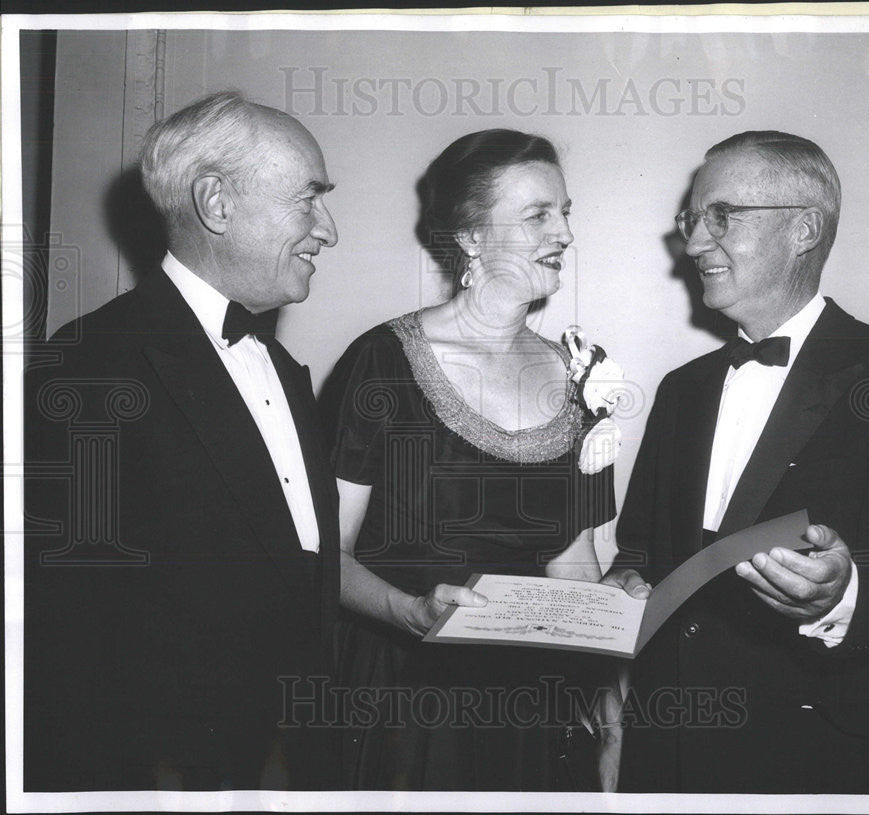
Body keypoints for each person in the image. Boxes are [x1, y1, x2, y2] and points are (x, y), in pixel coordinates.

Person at [604, 131, 869, 794]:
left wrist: (843, 591)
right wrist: (626, 583)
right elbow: (638, 551)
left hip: (818, 763)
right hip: (669, 757)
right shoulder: (681, 388)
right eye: (693, 220)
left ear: (804, 228)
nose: (692, 245)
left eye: (721, 217)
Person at [24, 91, 341, 790]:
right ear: (217, 204)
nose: (329, 230)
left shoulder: (283, 369)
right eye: (308, 200)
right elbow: (62, 636)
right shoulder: (93, 363)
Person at [319, 129, 618, 791]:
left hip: (532, 709)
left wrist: (608, 687)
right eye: (537, 215)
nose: (563, 233)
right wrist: (407, 610)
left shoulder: (576, 377)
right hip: (402, 699)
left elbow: (572, 565)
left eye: (564, 212)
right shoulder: (382, 363)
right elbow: (322, 553)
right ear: (472, 237)